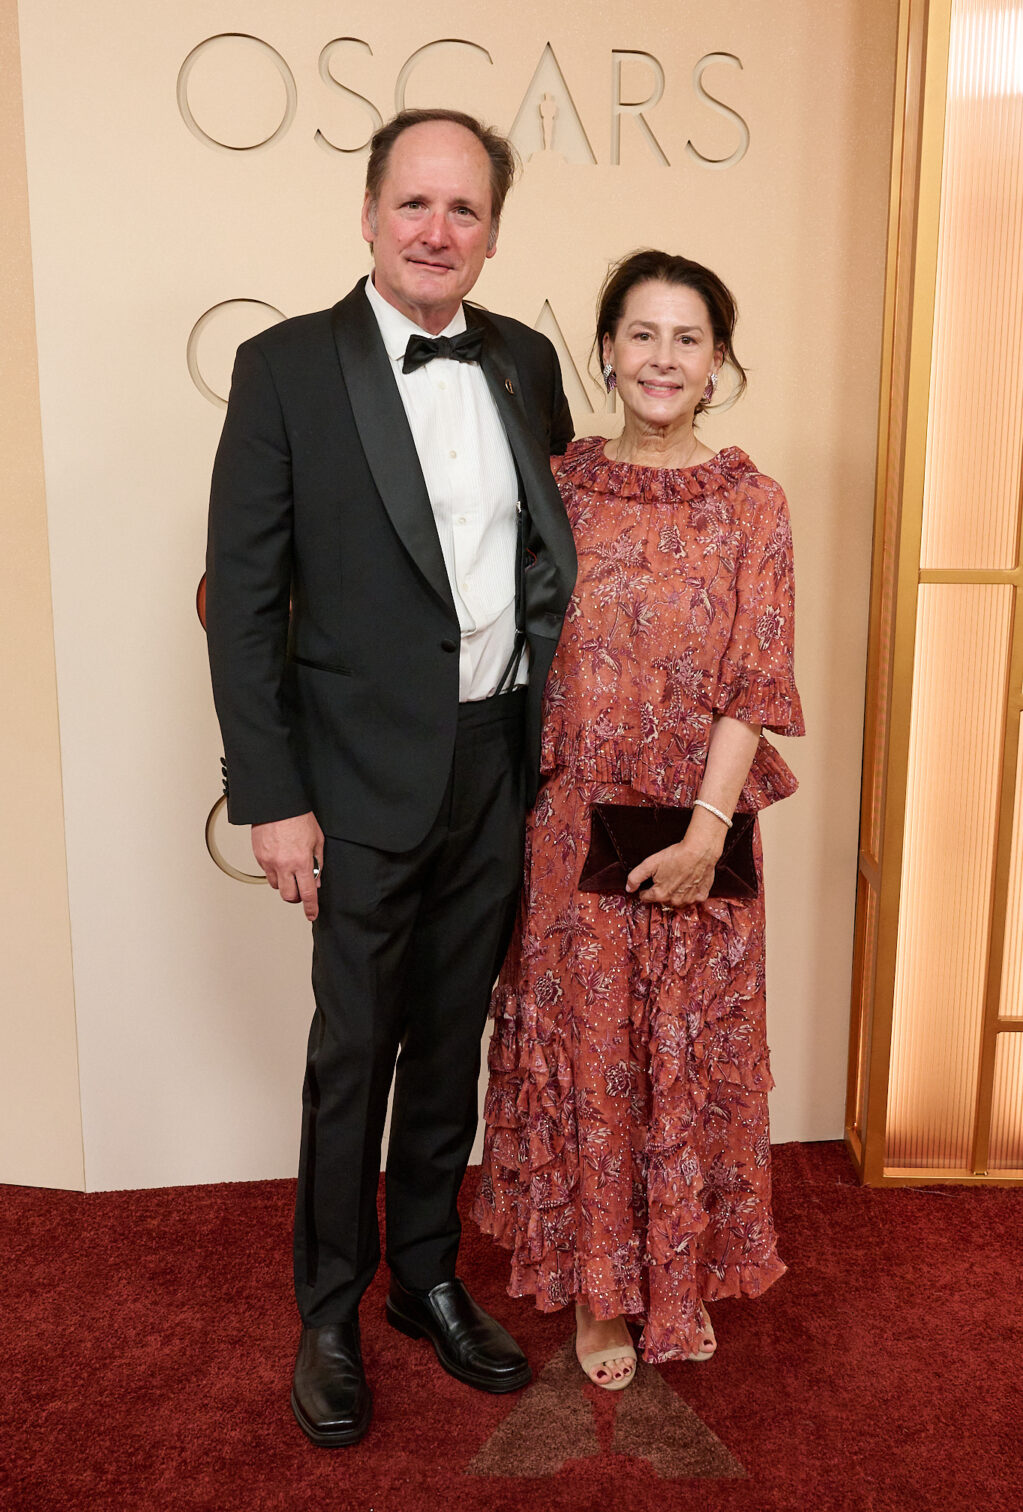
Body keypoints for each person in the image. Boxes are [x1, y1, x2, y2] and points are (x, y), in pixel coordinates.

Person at [205, 108, 577, 1446]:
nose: (436, 232)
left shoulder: (527, 363)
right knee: (350, 1051)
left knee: (448, 1047)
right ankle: (329, 1307)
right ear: (367, 215)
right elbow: (245, 603)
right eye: (414, 205)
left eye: (463, 211)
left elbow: (553, 575)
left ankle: (426, 1274)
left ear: (489, 232)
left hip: (494, 764)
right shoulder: (284, 369)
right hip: (352, 780)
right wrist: (271, 796)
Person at [473, 249, 804, 1389]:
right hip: (574, 829)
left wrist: (710, 830)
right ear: (607, 349)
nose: (664, 358)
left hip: (701, 820)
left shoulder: (754, 504)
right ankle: (603, 1295)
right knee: (593, 1051)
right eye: (643, 334)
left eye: (689, 339)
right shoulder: (556, 486)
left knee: (686, 1053)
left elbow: (756, 684)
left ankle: (679, 1274)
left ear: (718, 364)